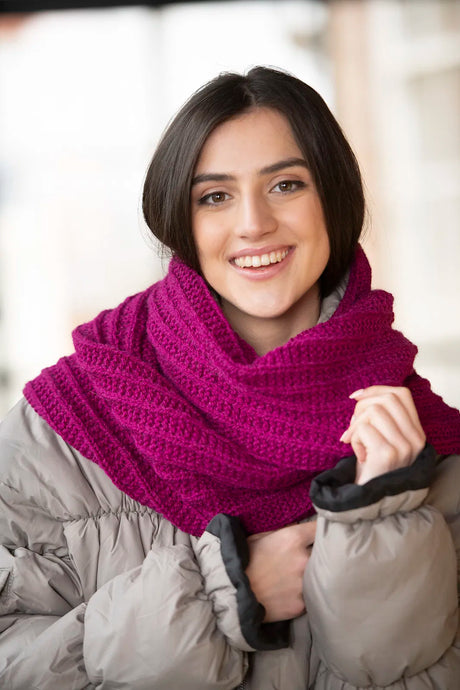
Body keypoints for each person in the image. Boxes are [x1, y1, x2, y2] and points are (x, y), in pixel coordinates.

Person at [1, 66, 460, 689]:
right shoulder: (57, 432)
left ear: (335, 198)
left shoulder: (418, 439)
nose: (252, 224)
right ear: (181, 221)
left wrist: (381, 509)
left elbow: (400, 664)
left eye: (286, 185)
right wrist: (224, 590)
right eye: (214, 196)